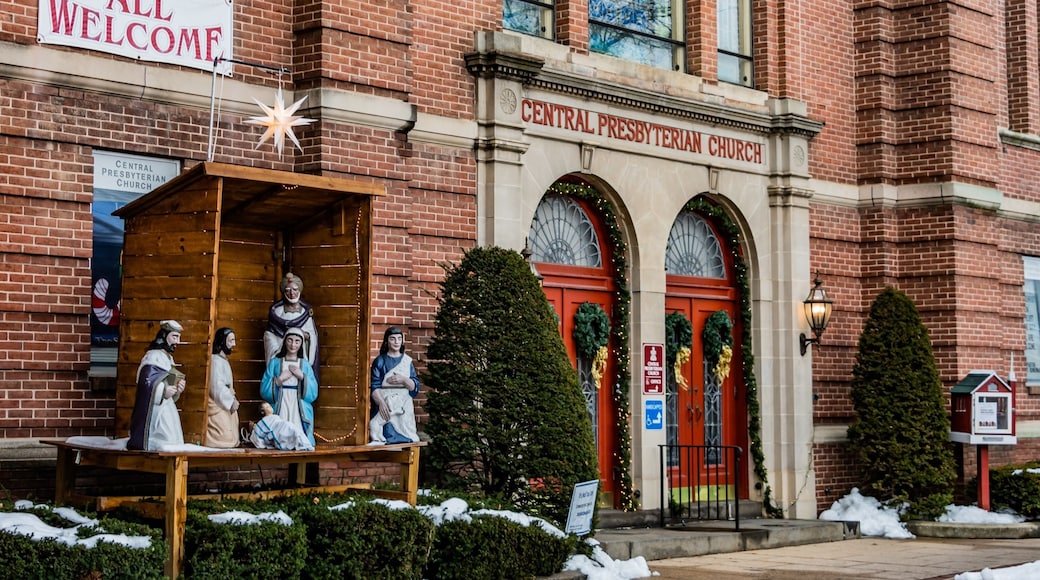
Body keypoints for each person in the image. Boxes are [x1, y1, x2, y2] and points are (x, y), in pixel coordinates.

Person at [128, 320, 186, 451]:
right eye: (174, 337)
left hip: (166, 405)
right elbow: (146, 383)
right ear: (164, 336)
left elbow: (168, 378)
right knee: (165, 435)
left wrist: (177, 388)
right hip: (156, 410)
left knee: (171, 436)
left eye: (179, 337)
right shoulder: (154, 356)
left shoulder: (167, 358)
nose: (177, 342)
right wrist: (163, 391)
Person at [260, 326, 318, 446]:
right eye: (290, 340)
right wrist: (279, 380)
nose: (293, 345)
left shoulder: (305, 365)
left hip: (298, 404)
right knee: (281, 428)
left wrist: (302, 377)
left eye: (297, 341)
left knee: (298, 432)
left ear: (301, 344)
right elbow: (264, 387)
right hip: (281, 402)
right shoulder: (275, 363)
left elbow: (313, 391)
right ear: (285, 341)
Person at [368, 326, 420, 444]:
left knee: (407, 432)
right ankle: (380, 437)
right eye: (392, 339)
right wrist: (381, 402)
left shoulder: (407, 361)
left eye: (399, 339)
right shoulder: (380, 361)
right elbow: (374, 386)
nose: (396, 342)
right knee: (382, 425)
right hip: (386, 401)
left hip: (403, 404)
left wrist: (404, 380)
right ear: (387, 341)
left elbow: (415, 387)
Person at [264, 272, 319, 381]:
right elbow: (270, 333)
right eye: (288, 290)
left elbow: (312, 336)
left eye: (295, 290)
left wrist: (305, 335)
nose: (292, 293)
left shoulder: (305, 313)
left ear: (299, 290)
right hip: (281, 358)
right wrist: (278, 347)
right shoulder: (278, 312)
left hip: (299, 359)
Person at [205, 327, 241, 448]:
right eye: (231, 341)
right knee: (225, 436)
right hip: (219, 405)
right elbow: (216, 386)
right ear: (222, 341)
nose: (234, 344)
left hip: (226, 404)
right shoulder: (215, 361)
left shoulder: (223, 360)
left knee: (232, 436)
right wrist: (230, 401)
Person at [249, 402, 314, 451]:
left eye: (269, 406)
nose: (270, 407)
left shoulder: (275, 417)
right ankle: (302, 444)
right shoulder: (263, 422)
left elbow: (279, 423)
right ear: (262, 412)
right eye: (267, 407)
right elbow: (258, 434)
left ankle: (304, 444)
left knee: (293, 429)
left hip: (283, 428)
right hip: (278, 432)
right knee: (290, 428)